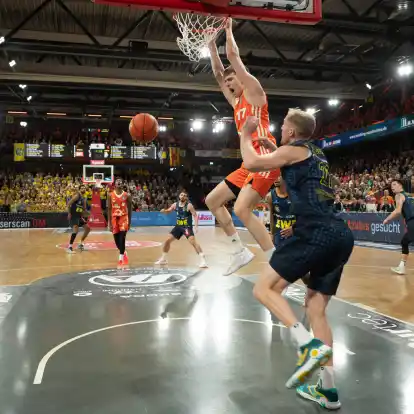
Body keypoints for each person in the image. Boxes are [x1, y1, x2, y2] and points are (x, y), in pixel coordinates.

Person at [239, 110, 354, 409]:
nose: (279, 129)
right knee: (316, 309)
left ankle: (307, 345)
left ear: (290, 132)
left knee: (263, 289)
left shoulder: (293, 150)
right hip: (340, 235)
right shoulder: (316, 153)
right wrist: (273, 149)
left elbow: (250, 163)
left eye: (282, 126)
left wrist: (245, 133)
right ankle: (328, 390)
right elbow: (290, 178)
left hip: (314, 232)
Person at [205, 18, 279, 276]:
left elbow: (234, 57)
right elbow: (217, 73)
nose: (227, 84)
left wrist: (227, 31)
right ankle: (239, 251)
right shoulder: (237, 104)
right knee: (212, 200)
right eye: (226, 83)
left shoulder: (255, 93)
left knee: (240, 208)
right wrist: (211, 46)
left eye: (231, 81)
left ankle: (277, 263)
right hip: (249, 163)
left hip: (266, 158)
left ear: (241, 79)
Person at [155, 191, 207, 268]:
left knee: (193, 242)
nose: (183, 196)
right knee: (167, 241)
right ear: (179, 196)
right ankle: (163, 259)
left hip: (186, 227)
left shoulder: (189, 205)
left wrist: (196, 226)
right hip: (178, 227)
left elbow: (195, 215)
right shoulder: (175, 205)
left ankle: (203, 261)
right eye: (181, 195)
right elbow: (168, 211)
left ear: (186, 198)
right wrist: (164, 211)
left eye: (185, 195)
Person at [383, 179, 414, 275]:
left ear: (400, 185)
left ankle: (401, 267)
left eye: (394, 184)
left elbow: (397, 211)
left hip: (412, 222)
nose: (392, 186)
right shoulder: (407, 195)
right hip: (411, 222)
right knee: (404, 241)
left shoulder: (399, 195)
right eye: (391, 185)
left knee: (404, 241)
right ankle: (401, 266)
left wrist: (387, 219)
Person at [108, 178, 132, 269]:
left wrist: (129, 221)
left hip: (123, 218)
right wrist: (109, 223)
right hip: (114, 219)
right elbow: (109, 209)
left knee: (122, 238)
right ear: (114, 184)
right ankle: (124, 252)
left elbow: (130, 209)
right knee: (117, 241)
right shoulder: (110, 195)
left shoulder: (127, 195)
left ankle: (121, 259)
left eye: (120, 182)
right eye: (117, 182)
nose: (119, 182)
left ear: (122, 184)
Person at [266, 177, 296, 249]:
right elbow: (272, 216)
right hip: (278, 236)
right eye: (274, 176)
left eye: (278, 176)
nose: (275, 179)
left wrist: (295, 228)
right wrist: (271, 234)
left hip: (295, 234)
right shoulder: (270, 196)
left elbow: (305, 215)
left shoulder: (296, 194)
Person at [67, 184, 91, 253]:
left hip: (79, 216)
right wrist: (69, 213)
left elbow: (84, 209)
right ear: (79, 189)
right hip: (74, 215)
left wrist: (89, 214)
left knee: (88, 228)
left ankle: (81, 243)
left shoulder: (84, 198)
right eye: (82, 188)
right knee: (76, 230)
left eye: (84, 188)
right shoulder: (77, 196)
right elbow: (68, 204)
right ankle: (70, 247)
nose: (83, 189)